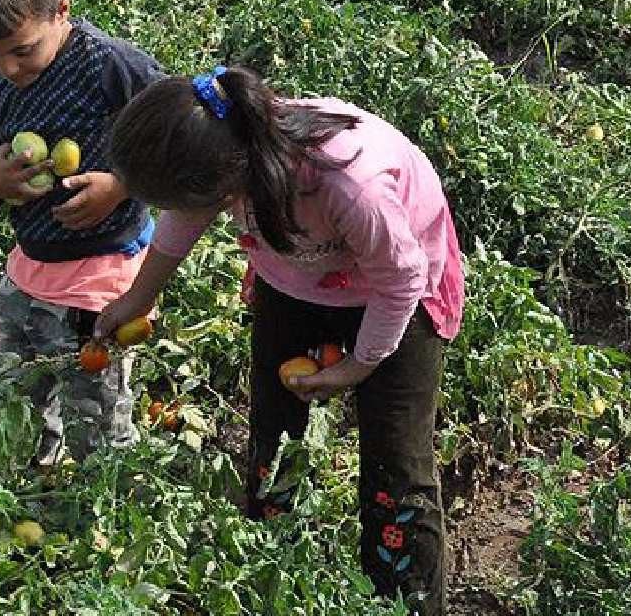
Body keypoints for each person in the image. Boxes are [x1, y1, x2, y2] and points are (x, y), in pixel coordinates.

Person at [93, 65, 464, 616]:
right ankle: (273, 569)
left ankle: (406, 602)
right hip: (295, 281)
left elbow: (400, 280)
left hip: (395, 294)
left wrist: (358, 365)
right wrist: (138, 298)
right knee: (274, 433)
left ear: (226, 183)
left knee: (397, 470)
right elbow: (181, 221)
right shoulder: (224, 150)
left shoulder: (347, 185)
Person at [0, 0, 164, 465]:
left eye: (22, 50)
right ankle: (37, 479)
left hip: (101, 278)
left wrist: (121, 186)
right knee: (21, 397)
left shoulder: (111, 67)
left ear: (61, 9)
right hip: (30, 268)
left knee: (96, 414)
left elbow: (181, 140)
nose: (7, 69)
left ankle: (100, 497)